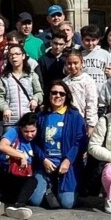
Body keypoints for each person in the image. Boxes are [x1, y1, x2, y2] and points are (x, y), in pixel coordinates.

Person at [30, 81, 87, 210]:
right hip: (45, 164)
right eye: (54, 92)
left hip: (67, 166)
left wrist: (68, 160)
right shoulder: (41, 116)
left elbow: (80, 141)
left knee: (67, 203)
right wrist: (43, 159)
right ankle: (50, 187)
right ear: (49, 94)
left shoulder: (74, 116)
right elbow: (34, 141)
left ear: (66, 96)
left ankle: (66, 190)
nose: (58, 96)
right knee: (35, 200)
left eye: (62, 93)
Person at [0, 113, 38, 219]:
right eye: (26, 131)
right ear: (21, 128)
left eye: (32, 131)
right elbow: (2, 146)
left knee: (33, 181)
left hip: (22, 176)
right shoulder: (14, 131)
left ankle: (18, 205)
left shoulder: (37, 140)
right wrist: (21, 156)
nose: (29, 135)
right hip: (6, 173)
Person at [0, 44, 43, 129]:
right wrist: (5, 108)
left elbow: (39, 92)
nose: (14, 57)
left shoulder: (31, 75)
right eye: (11, 55)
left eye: (17, 54)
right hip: (10, 121)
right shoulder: (4, 78)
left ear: (23, 56)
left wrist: (35, 99)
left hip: (28, 121)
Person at [62, 50, 98, 134]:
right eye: (69, 63)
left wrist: (91, 124)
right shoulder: (64, 82)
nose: (72, 66)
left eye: (75, 63)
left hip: (82, 121)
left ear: (82, 62)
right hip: (67, 120)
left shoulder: (88, 81)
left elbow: (91, 103)